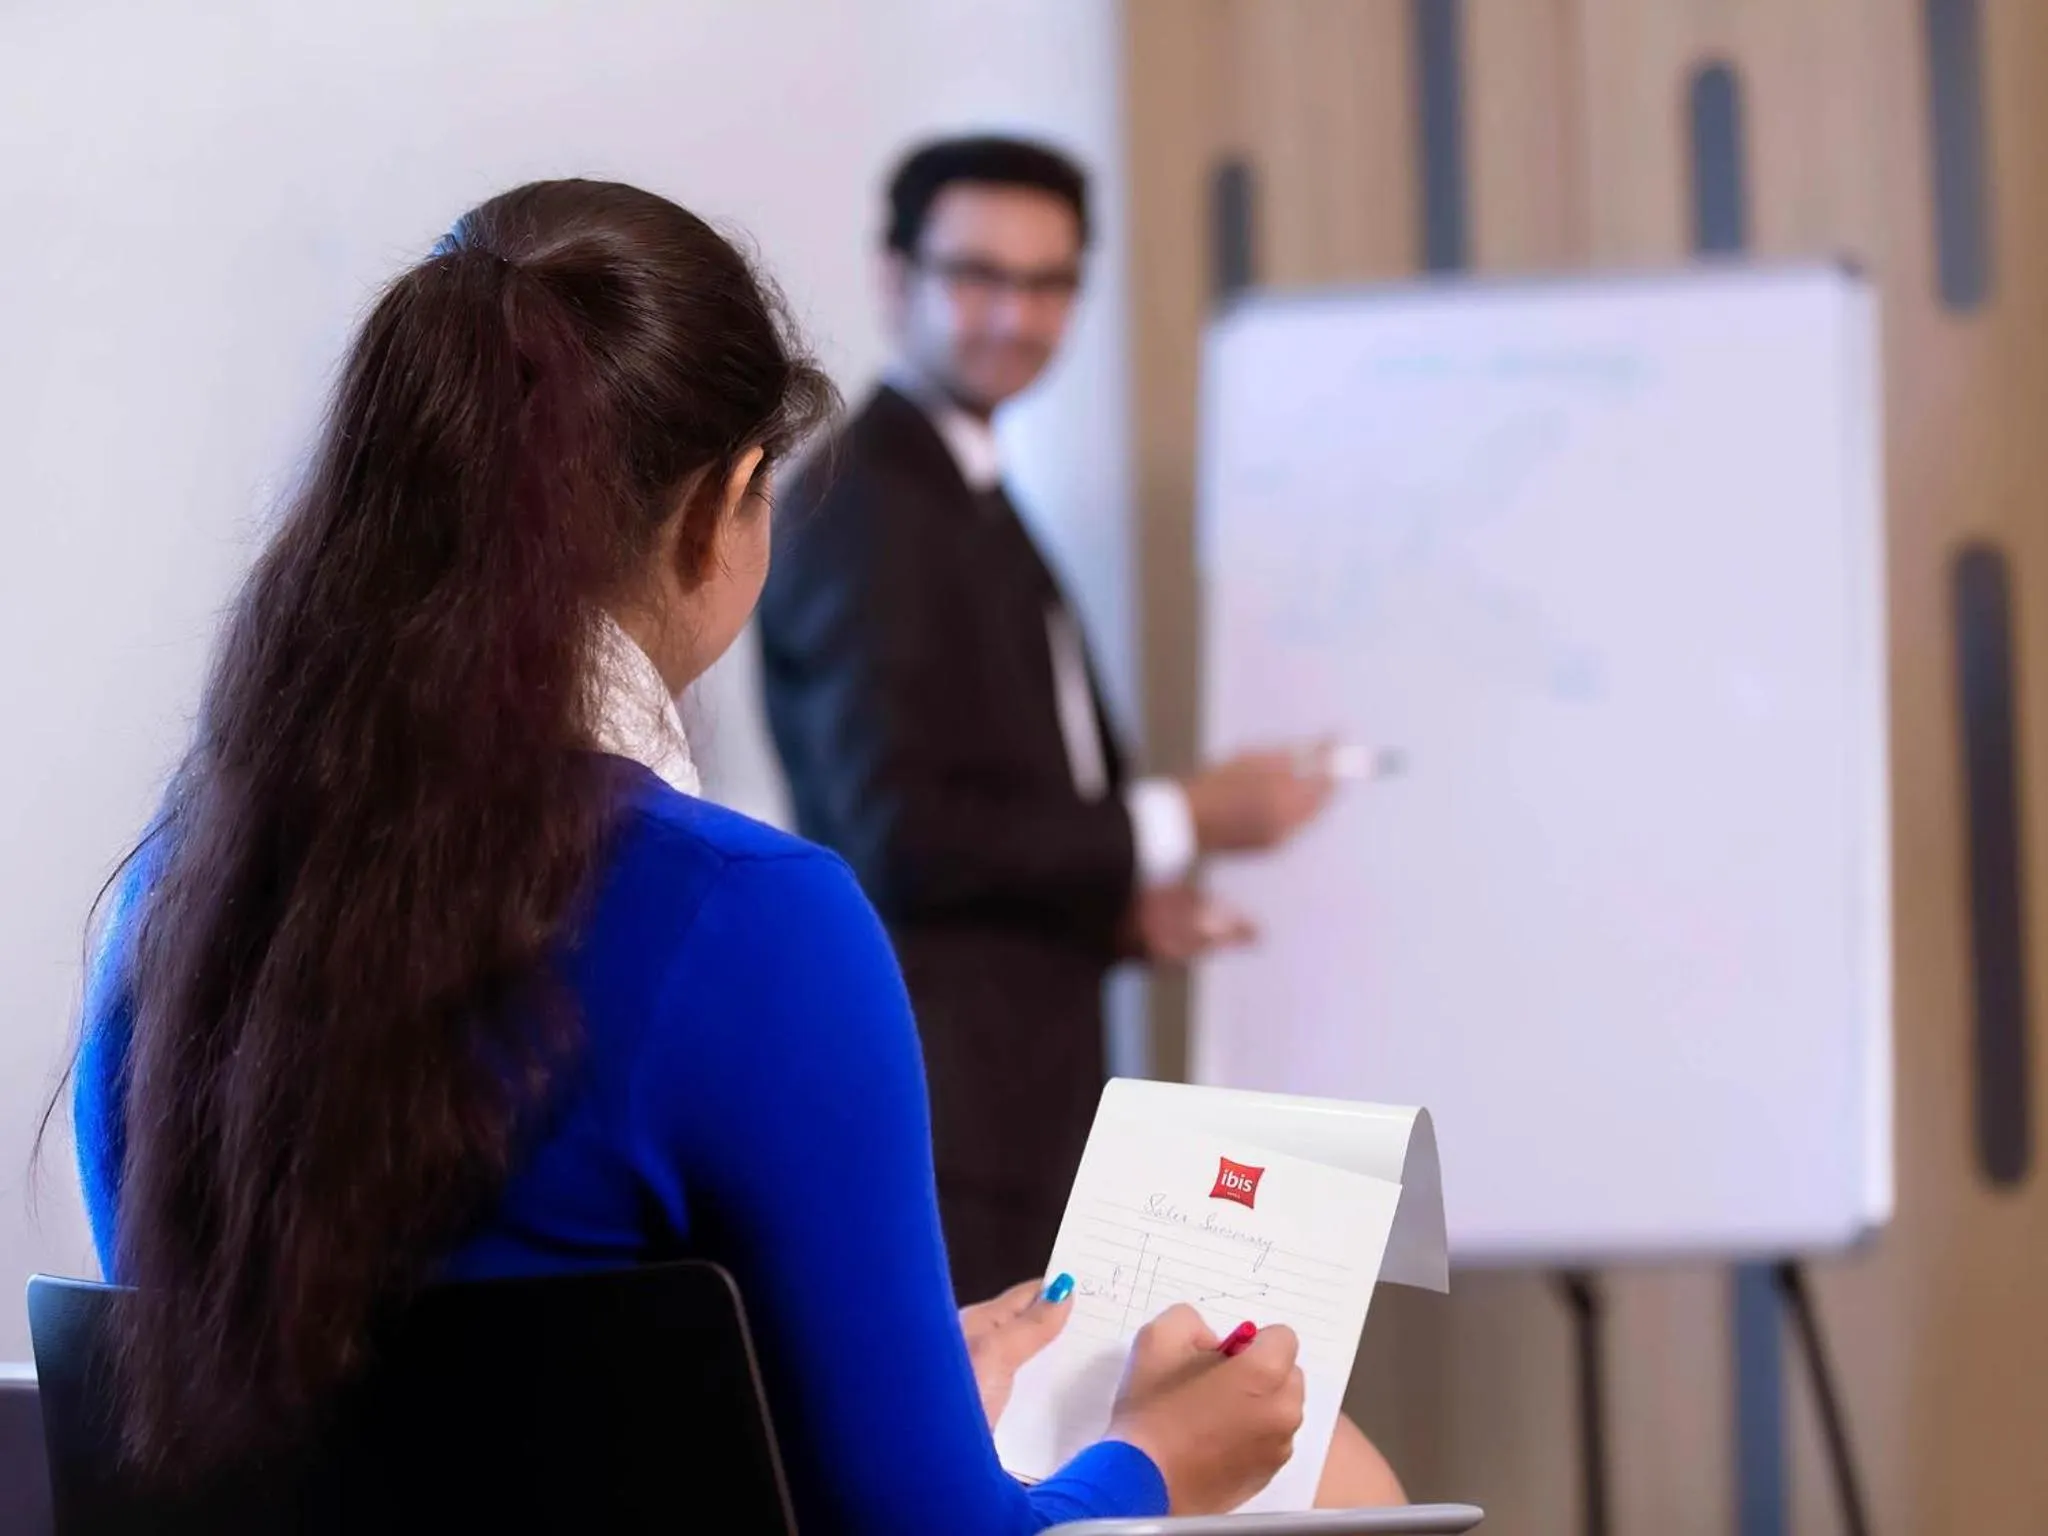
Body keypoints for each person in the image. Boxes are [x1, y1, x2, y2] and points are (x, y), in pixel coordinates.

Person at [67, 180, 1323, 1531]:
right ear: (721, 507)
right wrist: (1157, 1459)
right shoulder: (749, 926)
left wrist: (856, 1400)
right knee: (1340, 1473)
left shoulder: (175, 898)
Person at [758, 136, 1342, 1302]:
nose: (1012, 317)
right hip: (947, 1121)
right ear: (893, 277)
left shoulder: (960, 487)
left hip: (1007, 1106)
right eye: (977, 274)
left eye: (1047, 283)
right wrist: (1187, 814)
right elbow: (906, 836)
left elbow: (980, 806)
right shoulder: (871, 505)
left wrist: (1110, 914)